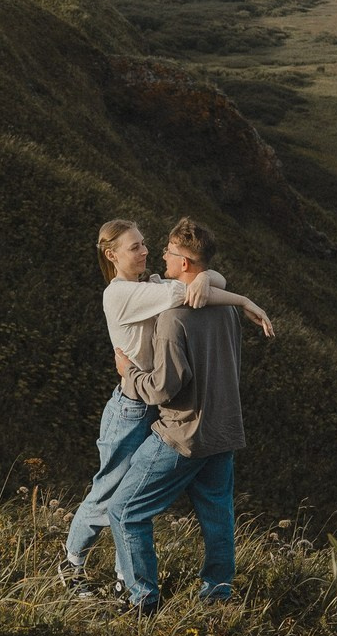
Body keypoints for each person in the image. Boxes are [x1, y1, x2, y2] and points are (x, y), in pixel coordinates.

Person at [58, 218, 272, 598]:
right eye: (135, 247)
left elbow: (197, 285)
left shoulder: (152, 284)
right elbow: (188, 290)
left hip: (155, 402)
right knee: (108, 494)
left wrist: (211, 280)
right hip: (132, 407)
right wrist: (234, 295)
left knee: (128, 501)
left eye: (145, 244)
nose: (146, 251)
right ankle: (72, 562)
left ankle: (130, 581)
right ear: (111, 255)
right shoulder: (119, 294)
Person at [109, 217, 257, 615]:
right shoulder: (225, 312)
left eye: (170, 253)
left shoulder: (173, 318)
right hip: (224, 430)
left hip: (183, 434)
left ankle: (143, 601)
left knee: (124, 509)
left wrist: (130, 376)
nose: (161, 256)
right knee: (217, 517)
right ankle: (217, 599)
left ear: (187, 265)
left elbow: (162, 388)